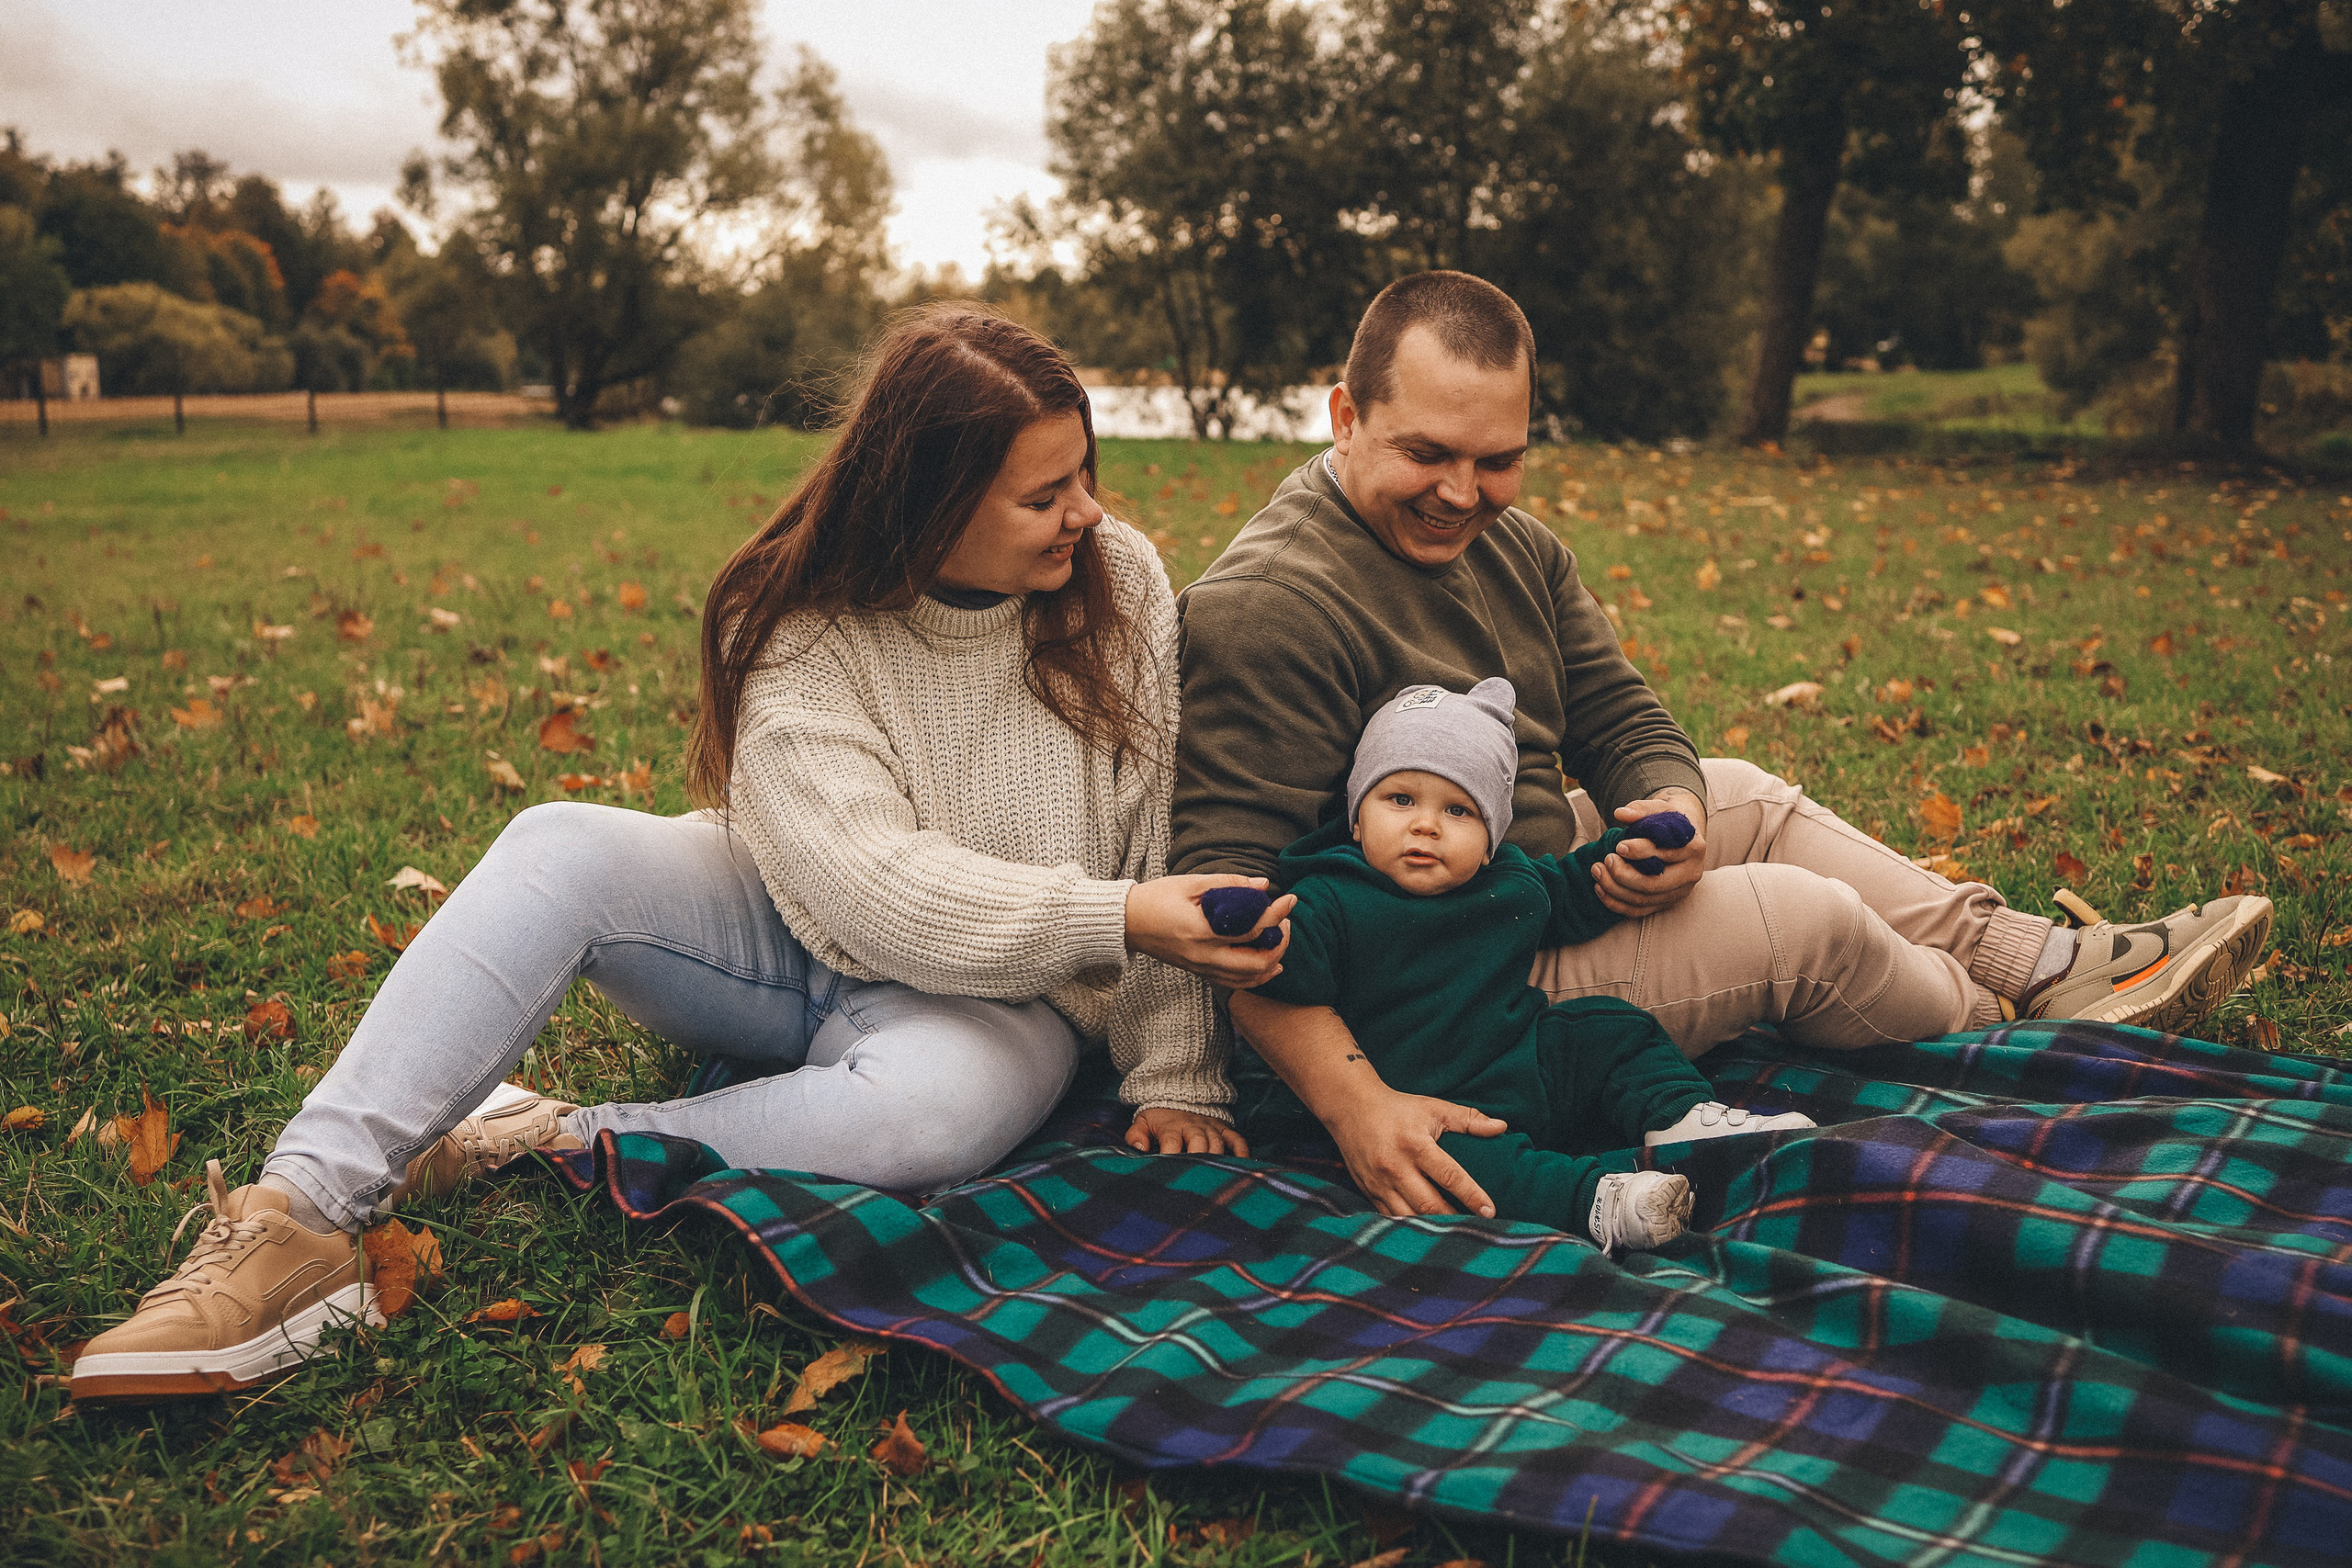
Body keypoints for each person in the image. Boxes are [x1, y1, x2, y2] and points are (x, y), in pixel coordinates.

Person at [69, 306, 1292, 1404]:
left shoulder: (1117, 580)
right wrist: (1122, 914)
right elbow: (875, 886)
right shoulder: (802, 620)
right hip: (789, 925)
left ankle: (545, 1131)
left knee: (936, 1117)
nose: (1086, 511)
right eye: (1044, 495)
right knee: (560, 840)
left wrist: (1175, 1070)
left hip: (1011, 1001)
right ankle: (297, 1215)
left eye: (1085, 473)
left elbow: (1158, 825)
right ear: (926, 504)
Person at [1168, 270, 2273, 1221]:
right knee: (1804, 920)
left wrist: (1672, 820)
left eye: (1497, 459)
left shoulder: (1517, 548)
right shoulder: (1276, 604)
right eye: (1427, 452)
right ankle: (1981, 1016)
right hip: (1433, 984)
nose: (1463, 493)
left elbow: (1625, 721)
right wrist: (1359, 1106)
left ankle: (2035, 962)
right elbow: (1227, 906)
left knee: (1743, 793)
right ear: (1342, 415)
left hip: (1517, 872)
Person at [1249, 677, 1815, 1253]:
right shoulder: (1333, 897)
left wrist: (1630, 851)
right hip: (1425, 1101)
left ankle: (1678, 1113)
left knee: (1610, 1029)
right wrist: (1253, 926)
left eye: (1459, 810)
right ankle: (1598, 1201)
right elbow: (1286, 965)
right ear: (1357, 818)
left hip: (1521, 1058)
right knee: (1467, 1168)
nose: (1426, 824)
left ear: (1491, 840)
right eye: (1400, 800)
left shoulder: (1508, 884)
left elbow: (1575, 893)